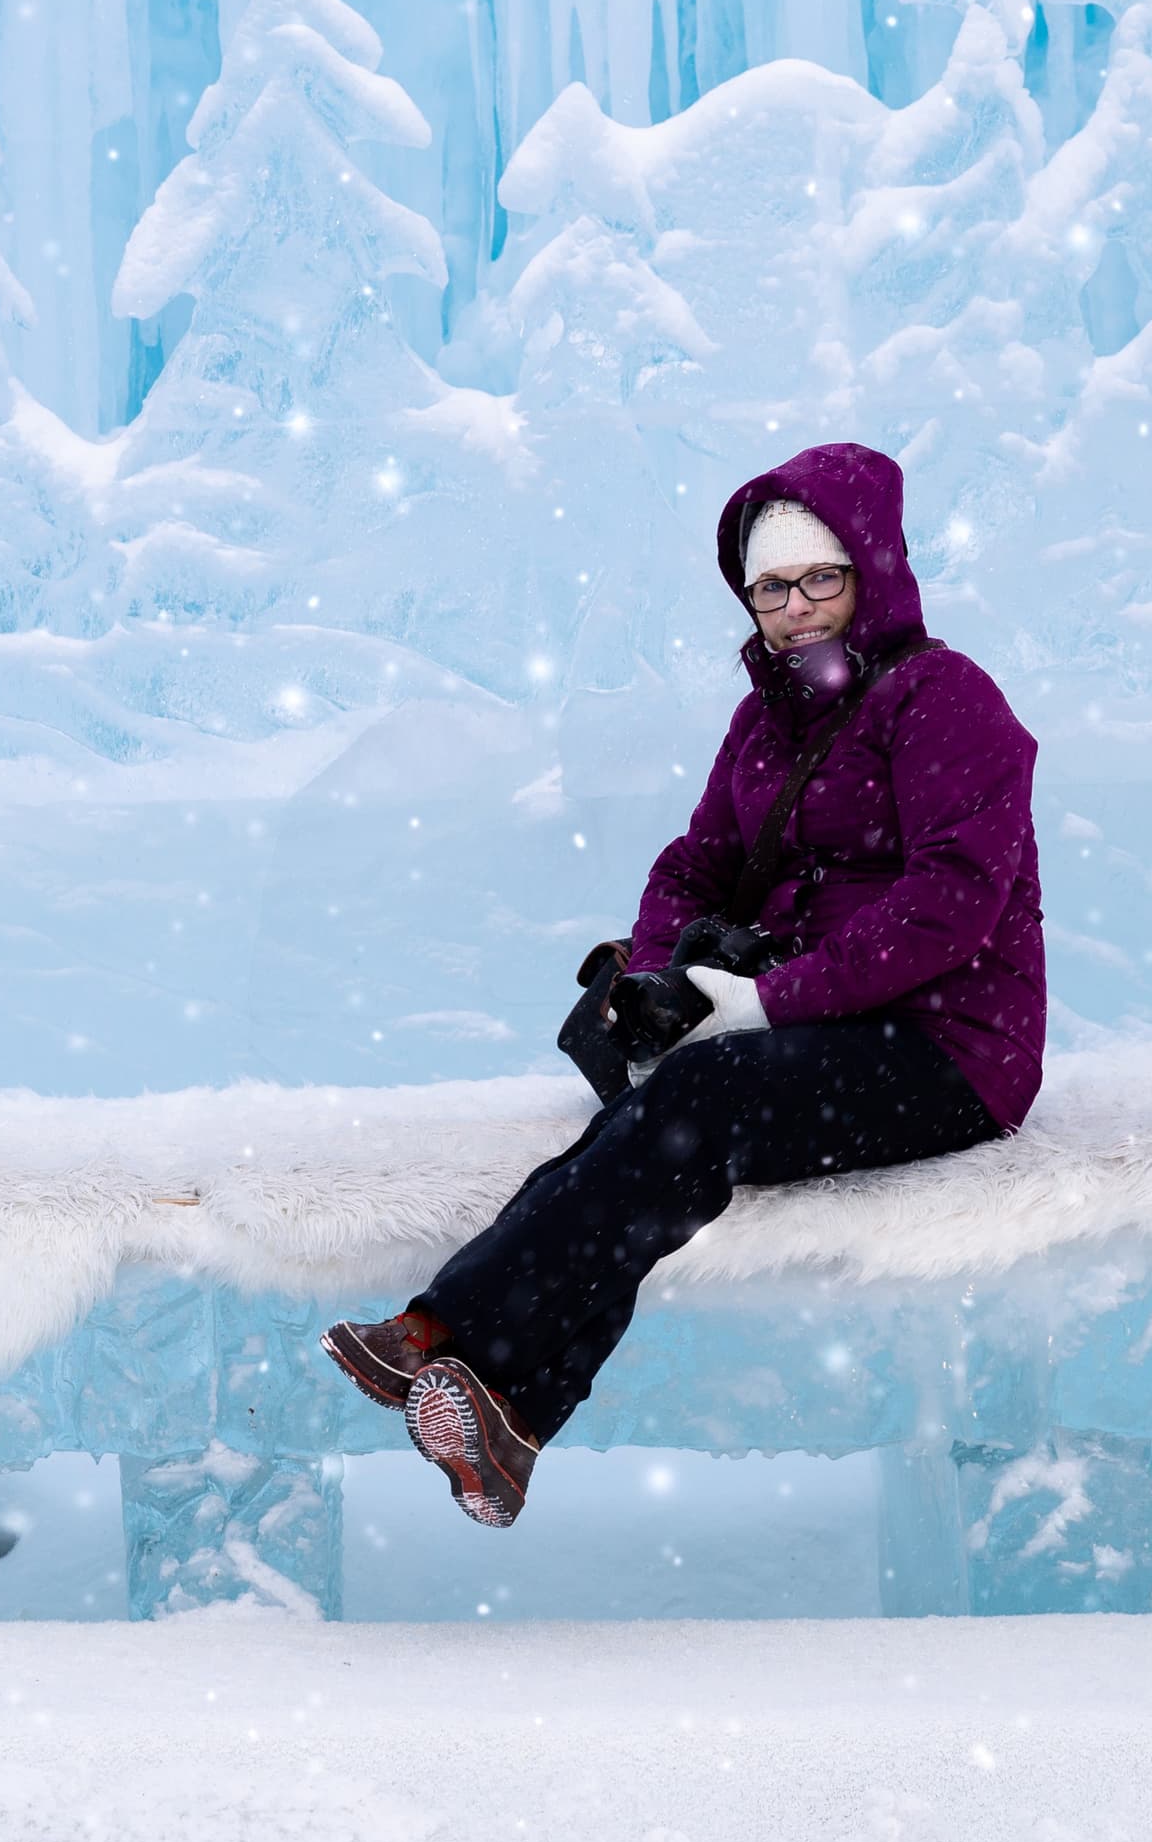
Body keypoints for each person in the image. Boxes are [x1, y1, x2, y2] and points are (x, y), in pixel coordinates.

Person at [323, 442, 1046, 1526]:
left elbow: (953, 903)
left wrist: (767, 1001)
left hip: (949, 1048)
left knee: (694, 1109)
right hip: (813, 1029)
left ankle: (456, 1341)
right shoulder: (767, 720)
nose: (796, 608)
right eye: (771, 588)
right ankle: (489, 1398)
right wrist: (664, 978)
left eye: (821, 579)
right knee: (652, 1115)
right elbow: (695, 863)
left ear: (873, 572)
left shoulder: (947, 699)